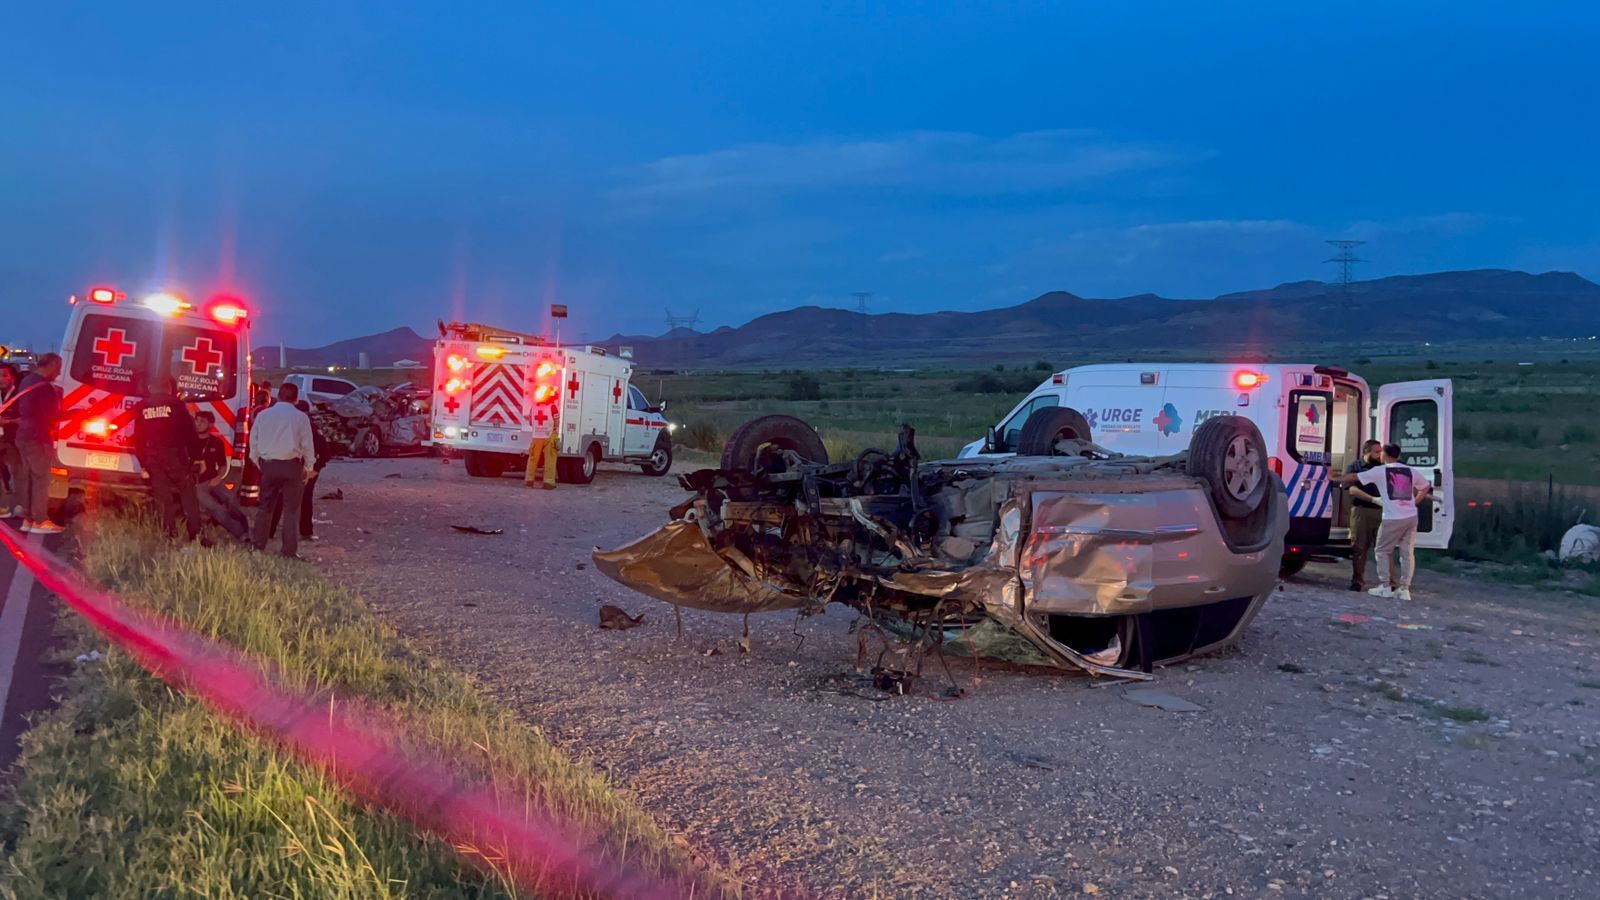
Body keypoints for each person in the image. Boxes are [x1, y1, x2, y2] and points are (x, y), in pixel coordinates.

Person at [1329, 443, 1433, 601]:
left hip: (1392, 517)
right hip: (1411, 516)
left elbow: (1354, 477)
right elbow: (1425, 487)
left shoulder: (1381, 471)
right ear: (1398, 456)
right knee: (1407, 553)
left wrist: (1334, 478)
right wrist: (1414, 502)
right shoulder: (1409, 470)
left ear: (1385, 455)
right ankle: (1404, 589)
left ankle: (1385, 586)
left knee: (1382, 550)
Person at [133, 374, 204, 543]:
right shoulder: (177, 404)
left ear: (152, 389)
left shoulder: (143, 406)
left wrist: (143, 463)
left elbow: (138, 438)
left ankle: (169, 536)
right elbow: (190, 432)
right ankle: (196, 535)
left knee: (163, 498)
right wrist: (197, 457)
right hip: (175, 456)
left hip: (153, 457)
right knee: (188, 494)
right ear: (169, 389)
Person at [249, 382, 316, 559]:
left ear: (278, 396)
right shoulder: (301, 417)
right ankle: (289, 551)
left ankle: (258, 546)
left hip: (268, 465)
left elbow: (253, 442)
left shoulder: (263, 415)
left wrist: (259, 463)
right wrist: (309, 468)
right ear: (296, 398)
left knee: (265, 507)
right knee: (291, 511)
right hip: (291, 466)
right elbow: (308, 445)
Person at [13, 353, 64, 534]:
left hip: (24, 435)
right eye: (58, 368)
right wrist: (77, 414)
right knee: (41, 480)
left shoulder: (27, 381)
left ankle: (28, 519)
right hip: (38, 437)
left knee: (28, 478)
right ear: (50, 365)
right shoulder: (44, 388)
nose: (58, 373)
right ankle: (41, 521)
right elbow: (53, 416)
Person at [269, 400, 331, 541]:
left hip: (304, 470)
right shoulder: (291, 427)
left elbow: (325, 451)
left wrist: (315, 469)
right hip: (292, 467)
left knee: (301, 500)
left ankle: (304, 531)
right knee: (281, 499)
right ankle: (271, 531)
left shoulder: (311, 429)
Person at [192, 410, 250, 541]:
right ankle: (240, 533)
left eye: (202, 421)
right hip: (197, 484)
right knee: (216, 508)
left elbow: (223, 465)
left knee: (232, 499)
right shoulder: (190, 442)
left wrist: (218, 478)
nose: (198, 424)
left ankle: (241, 521)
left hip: (214, 480)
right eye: (197, 420)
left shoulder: (217, 442)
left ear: (211, 425)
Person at [1342, 439, 1385, 592]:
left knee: (1384, 548)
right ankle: (1357, 581)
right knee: (1359, 547)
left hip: (1381, 511)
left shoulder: (1383, 467)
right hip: (1361, 510)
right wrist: (1373, 499)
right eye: (1376, 451)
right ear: (1367, 451)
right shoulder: (1355, 467)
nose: (1380, 454)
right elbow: (1351, 489)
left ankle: (1387, 583)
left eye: (1381, 451)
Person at [0, 363, 21, 519]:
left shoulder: (20, 396)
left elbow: (25, 418)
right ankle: (4, 506)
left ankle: (20, 505)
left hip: (14, 439)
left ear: (12, 378)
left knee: (17, 472)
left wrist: (8, 422)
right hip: (2, 438)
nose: (0, 379)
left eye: (4, 375)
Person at [524, 402, 560, 490]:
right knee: (550, 459)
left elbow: (530, 423)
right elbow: (557, 422)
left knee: (532, 458)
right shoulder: (553, 407)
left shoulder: (533, 408)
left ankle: (529, 481)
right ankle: (549, 482)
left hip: (537, 436)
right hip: (549, 436)